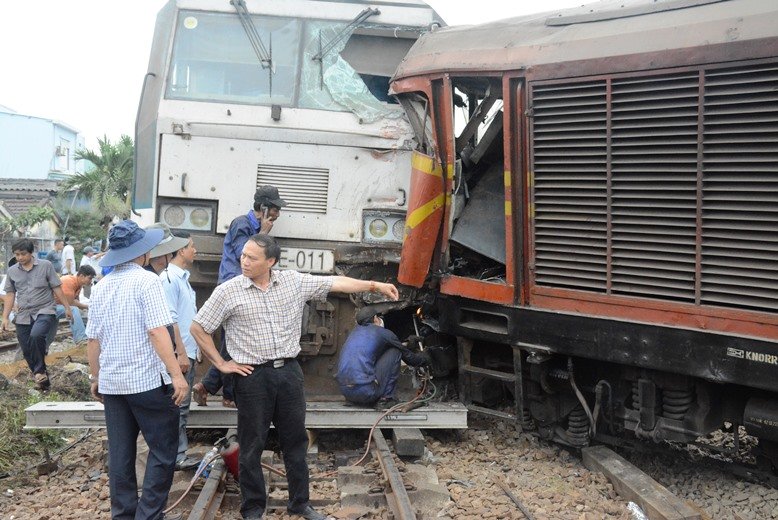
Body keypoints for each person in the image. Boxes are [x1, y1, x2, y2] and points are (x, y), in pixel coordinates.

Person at [191, 234, 398, 520]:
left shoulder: (292, 282)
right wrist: (221, 363)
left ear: (271, 262)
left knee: (295, 442)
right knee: (251, 446)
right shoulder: (228, 291)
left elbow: (336, 283)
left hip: (288, 373)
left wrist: (375, 285)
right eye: (243, 255)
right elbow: (199, 327)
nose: (244, 261)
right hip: (252, 377)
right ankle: (253, 509)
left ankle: (300, 504)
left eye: (252, 258)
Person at [86, 220, 188, 520]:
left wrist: (96, 377)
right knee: (163, 450)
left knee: (120, 455)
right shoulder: (148, 282)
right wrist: (177, 375)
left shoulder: (101, 286)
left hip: (113, 385)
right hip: (146, 384)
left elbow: (93, 339)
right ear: (142, 253)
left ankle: (124, 515)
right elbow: (158, 331)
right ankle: (149, 515)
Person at [192, 185, 286, 409]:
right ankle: (229, 396)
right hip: (233, 289)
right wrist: (262, 234)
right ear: (263, 208)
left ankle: (208, 386)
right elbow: (242, 254)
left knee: (234, 342)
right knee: (233, 343)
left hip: (245, 288)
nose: (278, 214)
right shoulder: (241, 224)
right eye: (274, 209)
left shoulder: (252, 227)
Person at [149, 226, 201, 471]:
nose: (195, 251)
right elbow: (170, 321)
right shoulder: (169, 280)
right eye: (191, 247)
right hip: (181, 354)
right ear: (181, 250)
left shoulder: (181, 279)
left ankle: (176, 454)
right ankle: (176, 456)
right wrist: (180, 353)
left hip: (188, 352)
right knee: (177, 408)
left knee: (181, 408)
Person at [2, 238, 72, 390]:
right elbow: (10, 294)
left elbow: (57, 287)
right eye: (17, 254)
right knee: (26, 348)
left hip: (44, 309)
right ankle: (43, 382)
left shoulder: (45, 266)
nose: (20, 258)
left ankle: (39, 371)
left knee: (36, 335)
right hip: (23, 314)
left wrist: (67, 307)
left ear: (31, 253)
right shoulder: (12, 271)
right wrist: (5, 317)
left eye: (23, 254)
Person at [336, 308, 431, 408]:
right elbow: (410, 359)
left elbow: (377, 349)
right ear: (375, 318)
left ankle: (357, 400)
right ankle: (386, 399)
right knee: (396, 351)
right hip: (367, 393)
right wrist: (424, 359)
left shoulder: (353, 334)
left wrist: (406, 344)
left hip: (346, 393)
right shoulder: (383, 332)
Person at [51, 264, 96, 344]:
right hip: (50, 307)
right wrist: (87, 306)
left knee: (49, 336)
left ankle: (92, 339)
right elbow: (70, 303)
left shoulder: (78, 285)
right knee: (74, 310)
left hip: (59, 307)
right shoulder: (69, 281)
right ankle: (81, 339)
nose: (91, 281)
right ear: (82, 276)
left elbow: (76, 301)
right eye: (90, 278)